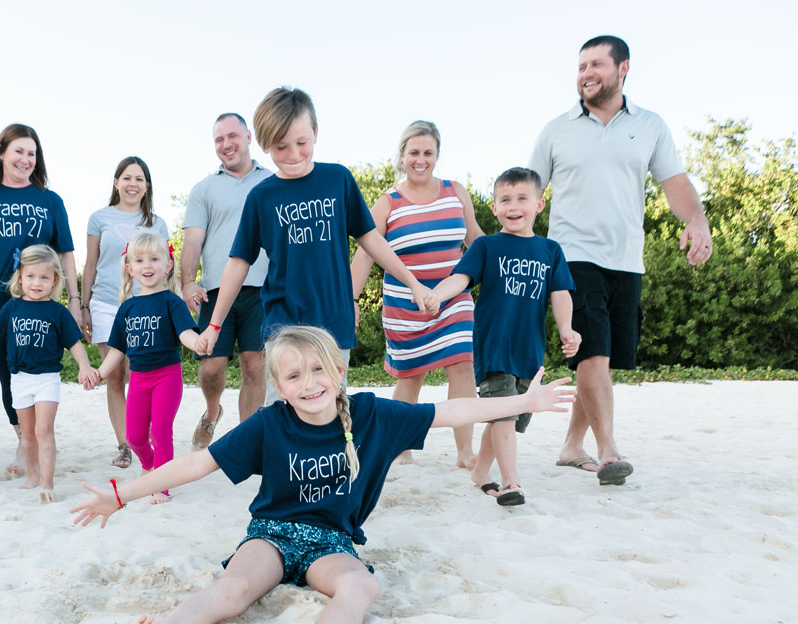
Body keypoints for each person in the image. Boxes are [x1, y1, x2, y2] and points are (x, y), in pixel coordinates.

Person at [71, 325, 577, 624]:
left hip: (331, 544)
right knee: (230, 592)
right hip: (271, 534)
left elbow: (451, 411)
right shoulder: (270, 423)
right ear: (279, 386)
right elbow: (197, 464)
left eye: (318, 370)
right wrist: (123, 494)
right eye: (293, 375)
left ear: (339, 371)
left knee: (361, 587)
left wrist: (524, 401)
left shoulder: (374, 415)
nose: (309, 384)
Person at [529, 35, 713, 484]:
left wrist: (698, 221)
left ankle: (572, 446)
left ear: (622, 68)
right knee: (592, 353)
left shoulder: (650, 125)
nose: (585, 74)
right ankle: (608, 450)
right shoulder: (556, 129)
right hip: (572, 256)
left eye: (595, 64)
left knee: (603, 360)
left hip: (627, 259)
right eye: (580, 67)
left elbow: (675, 183)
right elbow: (528, 192)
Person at [193, 87, 439, 403]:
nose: (293, 154)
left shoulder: (338, 180)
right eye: (281, 147)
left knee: (333, 409)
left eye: (301, 143)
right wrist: (214, 325)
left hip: (334, 323)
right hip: (285, 325)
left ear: (315, 133)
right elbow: (239, 262)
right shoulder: (261, 197)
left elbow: (371, 239)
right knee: (284, 410)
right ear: (266, 144)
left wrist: (413, 284)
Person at [435, 168, 580, 505]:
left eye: (522, 198)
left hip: (529, 351)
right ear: (495, 207)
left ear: (539, 204)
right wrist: (437, 295)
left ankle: (480, 472)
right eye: (505, 200)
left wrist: (566, 328)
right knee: (503, 415)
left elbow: (560, 293)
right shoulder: (487, 246)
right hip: (494, 348)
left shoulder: (550, 250)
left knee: (509, 419)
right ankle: (511, 480)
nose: (514, 206)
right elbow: (461, 278)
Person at [348, 120, 484, 467]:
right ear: (402, 155)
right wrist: (350, 300)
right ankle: (402, 446)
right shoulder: (388, 203)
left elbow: (477, 242)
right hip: (406, 306)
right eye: (414, 152)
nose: (420, 159)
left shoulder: (456, 192)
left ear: (437, 155)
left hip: (454, 299)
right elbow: (365, 251)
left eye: (428, 152)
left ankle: (465, 452)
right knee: (411, 377)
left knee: (462, 366)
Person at [0, 124, 82, 477]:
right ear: (2, 153)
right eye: (19, 151)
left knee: (36, 370)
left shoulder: (49, 200)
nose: (26, 159)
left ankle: (31, 442)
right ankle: (24, 438)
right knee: (10, 376)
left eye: (32, 154)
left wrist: (74, 298)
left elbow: (66, 253)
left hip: (40, 306)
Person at [0, 245, 98, 502]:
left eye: (44, 277)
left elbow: (74, 343)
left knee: (44, 430)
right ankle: (33, 476)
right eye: (31, 276)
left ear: (55, 280)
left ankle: (47, 481)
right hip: (19, 379)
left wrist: (85, 366)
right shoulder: (11, 308)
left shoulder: (57, 312)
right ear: (20, 277)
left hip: (47, 379)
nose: (37, 283)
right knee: (28, 433)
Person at [82, 233, 199, 504]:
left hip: (166, 376)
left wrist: (198, 343)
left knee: (160, 432)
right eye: (140, 260)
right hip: (138, 379)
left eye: (154, 259)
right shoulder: (126, 308)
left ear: (168, 265)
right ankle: (150, 466)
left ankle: (162, 485)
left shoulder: (173, 302)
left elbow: (185, 334)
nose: (147, 266)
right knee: (134, 437)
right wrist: (99, 373)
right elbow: (117, 351)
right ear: (130, 268)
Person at [179, 113, 271, 447]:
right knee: (211, 367)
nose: (226, 144)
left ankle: (248, 439)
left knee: (254, 364)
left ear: (248, 136)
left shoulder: (273, 180)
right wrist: (188, 282)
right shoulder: (204, 189)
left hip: (263, 289)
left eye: (232, 136)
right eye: (219, 139)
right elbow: (192, 241)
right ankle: (212, 411)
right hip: (216, 291)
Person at [82, 157, 171, 468]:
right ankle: (125, 445)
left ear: (147, 187)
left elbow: (165, 268)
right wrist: (83, 305)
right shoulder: (99, 218)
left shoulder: (157, 224)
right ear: (116, 182)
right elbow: (91, 263)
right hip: (106, 302)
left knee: (142, 371)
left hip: (146, 305)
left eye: (140, 179)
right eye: (127, 177)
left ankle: (144, 436)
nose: (133, 184)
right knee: (115, 373)